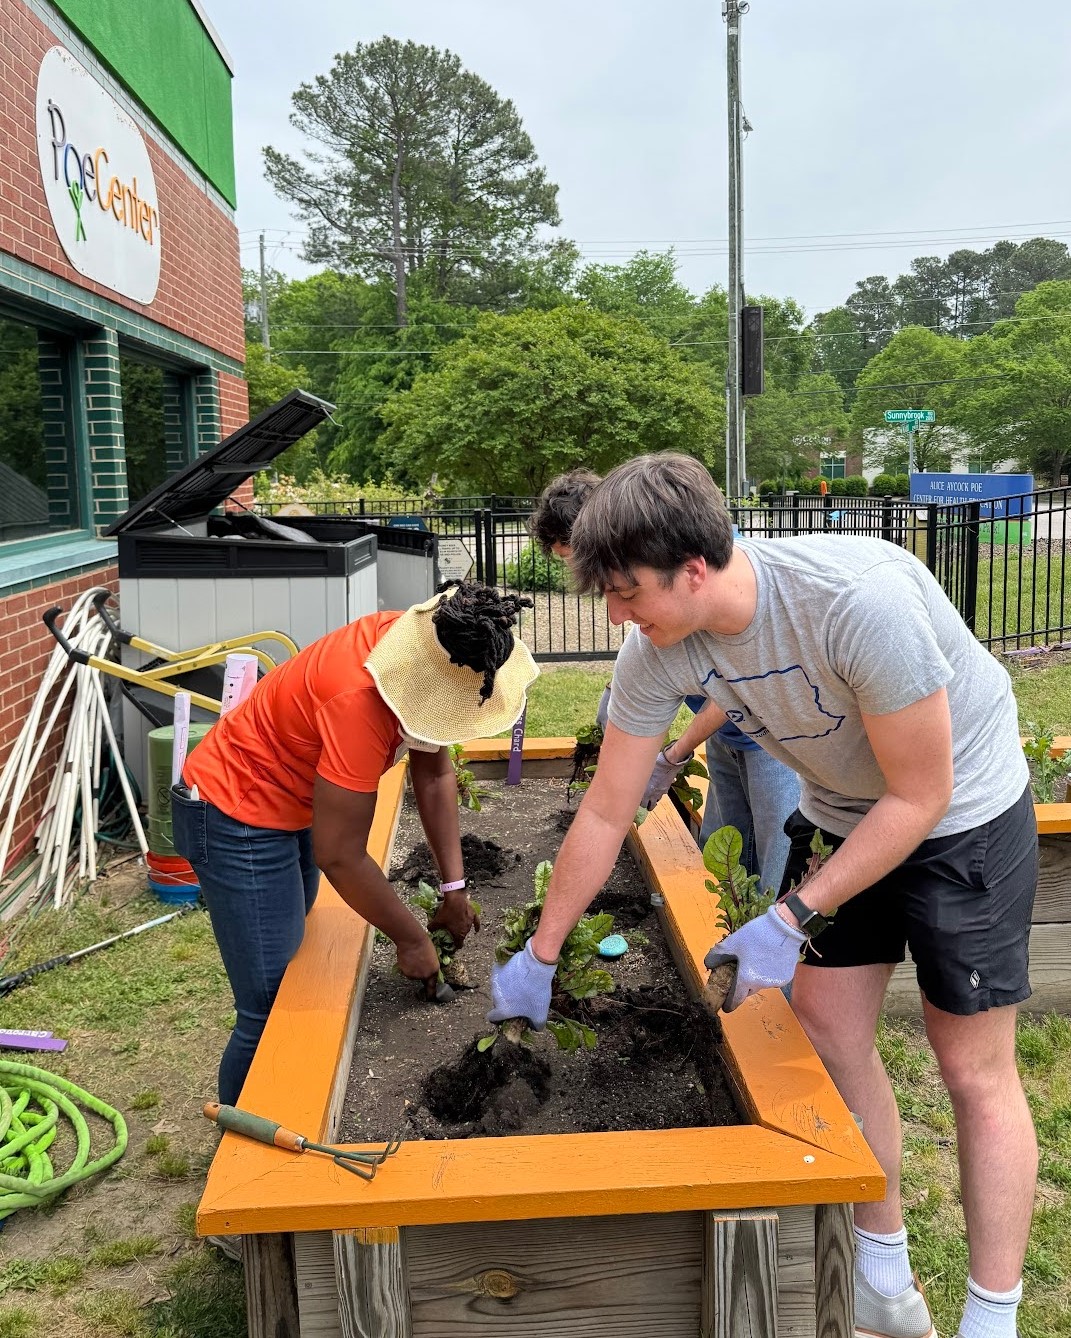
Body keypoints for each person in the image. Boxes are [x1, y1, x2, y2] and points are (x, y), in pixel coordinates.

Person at [494, 453, 1037, 1338]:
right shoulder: (656, 648)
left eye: (627, 591)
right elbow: (604, 808)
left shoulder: (856, 602)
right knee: (826, 1029)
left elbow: (918, 796)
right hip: (841, 807)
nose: (614, 613)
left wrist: (791, 913)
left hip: (960, 810)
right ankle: (884, 1280)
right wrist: (541, 952)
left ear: (695, 569)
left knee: (969, 1067)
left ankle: (991, 1319)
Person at [173, 581, 538, 1106]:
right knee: (271, 1005)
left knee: (291, 951)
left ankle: (280, 1110)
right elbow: (339, 854)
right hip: (235, 814)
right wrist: (411, 938)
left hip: (289, 802)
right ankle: (244, 1165)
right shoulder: (359, 703)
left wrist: (455, 886)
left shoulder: (426, 642)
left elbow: (433, 772)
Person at [530, 468, 799, 893]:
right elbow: (656, 662)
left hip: (773, 743)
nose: (607, 599)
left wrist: (675, 753)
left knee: (777, 870)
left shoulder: (699, 571)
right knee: (728, 857)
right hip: (728, 738)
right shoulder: (646, 583)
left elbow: (738, 685)